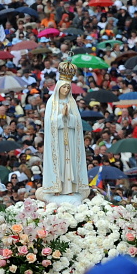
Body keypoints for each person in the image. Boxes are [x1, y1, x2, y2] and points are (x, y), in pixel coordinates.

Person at [38, 59, 89, 202]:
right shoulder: (51, 102)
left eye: (68, 88)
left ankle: (71, 188)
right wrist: (62, 116)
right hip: (58, 138)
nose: (66, 90)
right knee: (59, 161)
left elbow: (78, 123)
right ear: (59, 87)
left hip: (70, 137)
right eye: (64, 87)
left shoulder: (71, 102)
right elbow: (49, 122)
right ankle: (57, 187)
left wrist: (70, 116)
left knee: (70, 161)